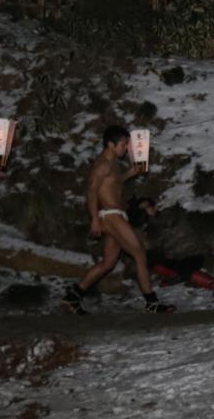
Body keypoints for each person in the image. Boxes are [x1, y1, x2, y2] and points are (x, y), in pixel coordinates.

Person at [63, 125, 175, 314]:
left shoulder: (113, 164)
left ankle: (73, 296)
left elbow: (111, 185)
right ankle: (151, 302)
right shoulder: (102, 164)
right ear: (110, 144)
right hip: (110, 216)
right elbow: (91, 190)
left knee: (108, 263)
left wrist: (129, 174)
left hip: (115, 215)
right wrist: (94, 219)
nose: (126, 148)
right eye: (123, 144)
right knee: (140, 253)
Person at [126, 197, 214, 295]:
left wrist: (150, 219)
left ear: (154, 207)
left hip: (193, 252)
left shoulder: (169, 214)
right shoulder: (151, 227)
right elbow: (155, 246)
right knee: (148, 259)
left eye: (147, 207)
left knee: (186, 270)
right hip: (177, 257)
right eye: (142, 209)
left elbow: (167, 223)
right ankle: (176, 276)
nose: (146, 210)